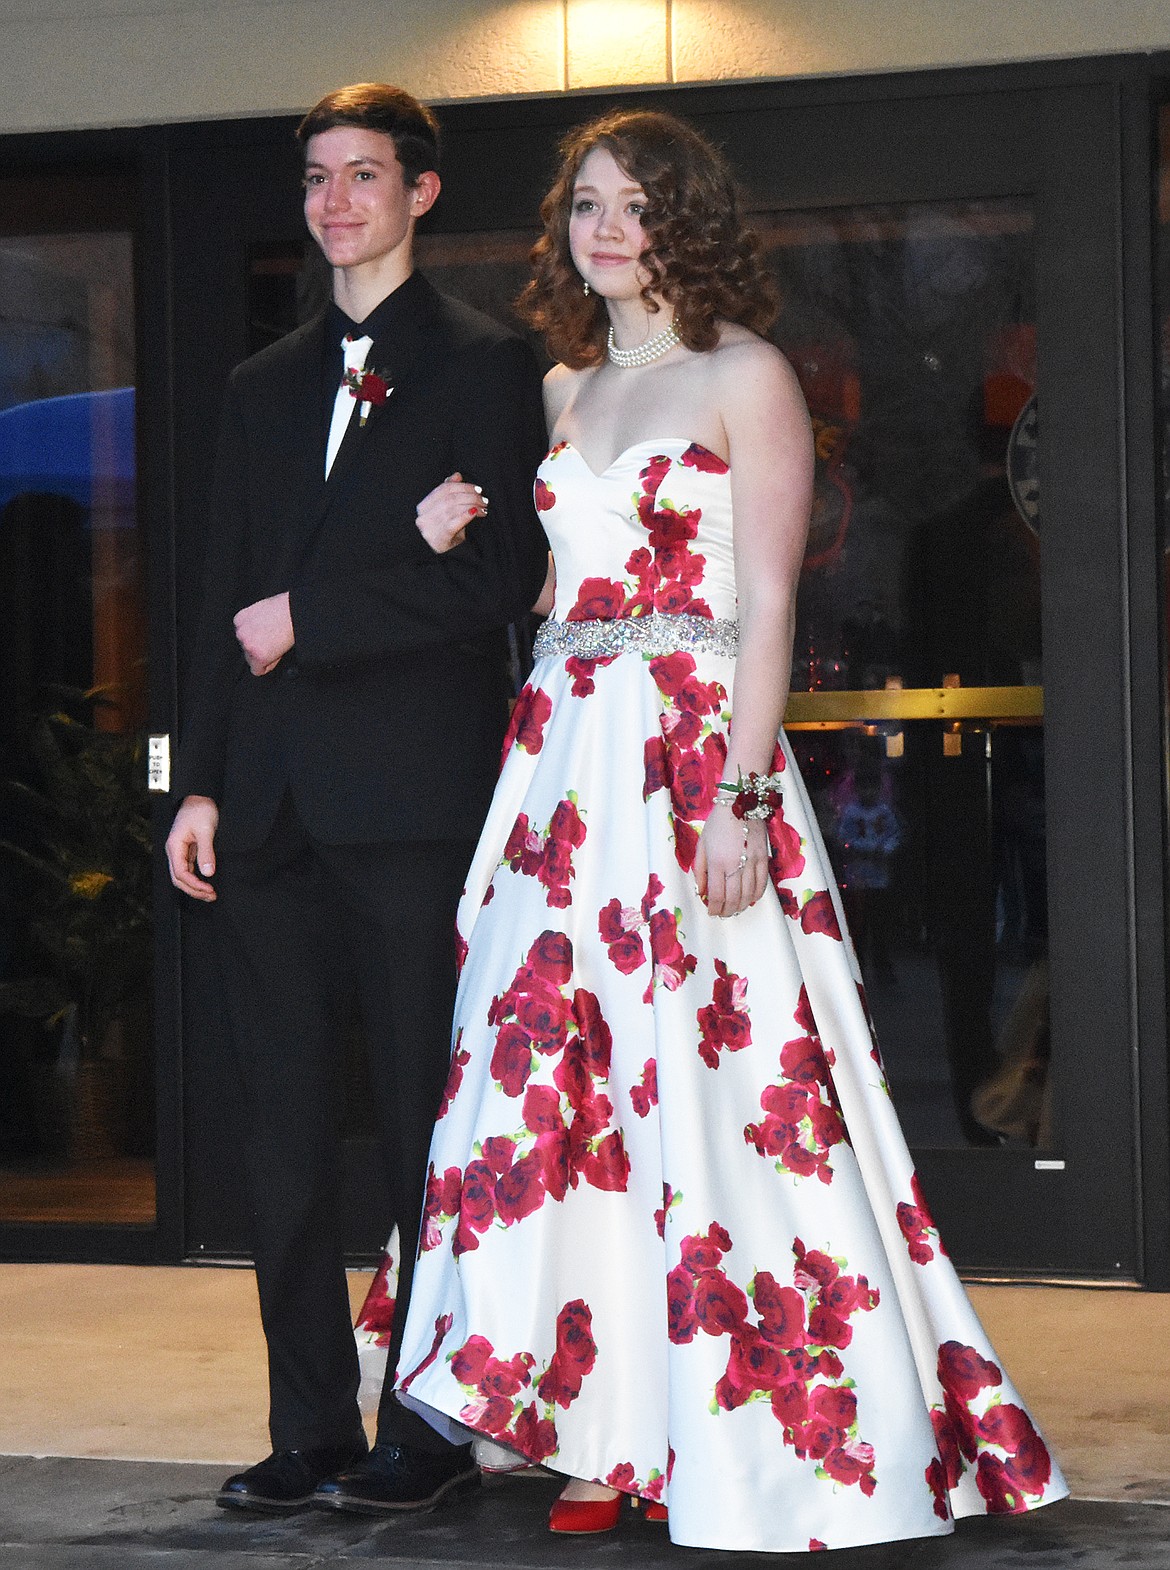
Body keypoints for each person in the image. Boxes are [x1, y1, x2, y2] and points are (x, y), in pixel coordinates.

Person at [389, 108, 1067, 1554]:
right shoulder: (563, 389)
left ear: (686, 218)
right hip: (561, 761)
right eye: (585, 205)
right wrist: (453, 528)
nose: (606, 227)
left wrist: (741, 798)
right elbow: (546, 581)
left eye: (634, 204)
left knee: (715, 1092)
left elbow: (766, 602)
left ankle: (744, 1428)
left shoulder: (743, 373)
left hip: (693, 750)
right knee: (563, 1100)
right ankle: (601, 1423)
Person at [164, 82, 549, 1515]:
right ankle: (309, 1423)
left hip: (409, 805)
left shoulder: (487, 367)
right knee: (279, 1140)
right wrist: (197, 778)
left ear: (421, 194)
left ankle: (429, 1422)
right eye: (319, 176)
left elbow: (490, 582)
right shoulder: (259, 384)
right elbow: (220, 601)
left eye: (365, 175)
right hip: (261, 809)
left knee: (416, 1132)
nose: (336, 201)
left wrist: (310, 617)